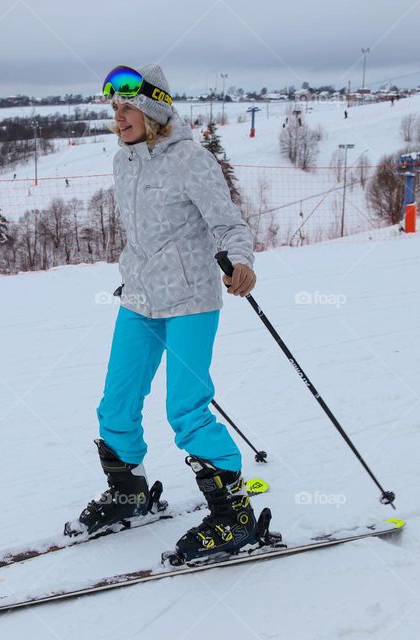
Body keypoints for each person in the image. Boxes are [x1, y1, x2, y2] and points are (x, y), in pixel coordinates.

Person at [72, 63, 259, 562]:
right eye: (114, 107)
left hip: (192, 299)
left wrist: (241, 261)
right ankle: (130, 493)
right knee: (115, 403)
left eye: (128, 105)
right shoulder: (123, 161)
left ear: (154, 106)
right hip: (139, 297)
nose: (119, 115)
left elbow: (227, 222)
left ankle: (234, 515)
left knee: (186, 409)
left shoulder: (191, 160)